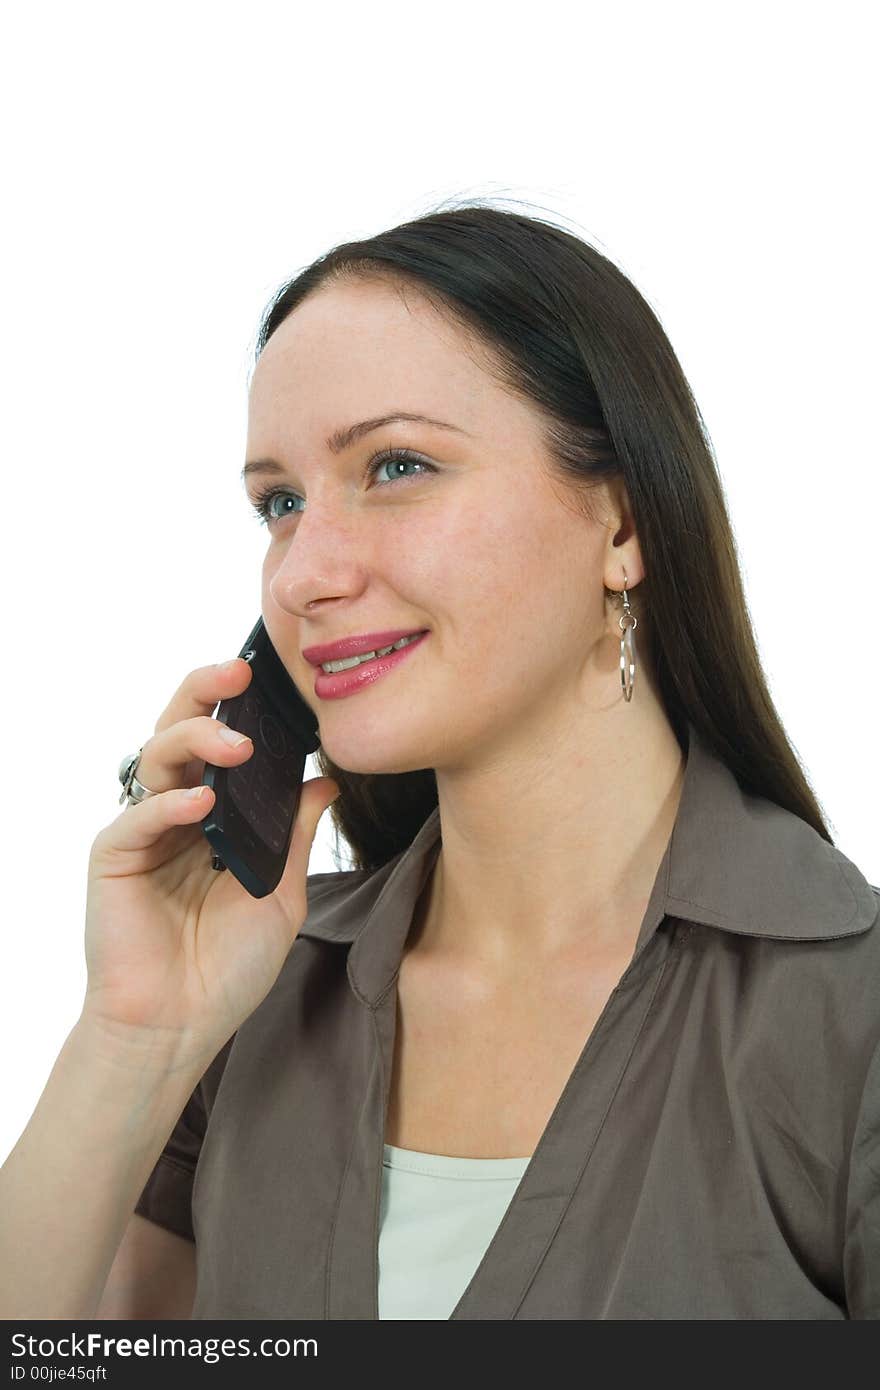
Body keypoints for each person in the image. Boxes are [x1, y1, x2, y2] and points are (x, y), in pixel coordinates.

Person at [1, 204, 877, 1321]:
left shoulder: (846, 1016)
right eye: (279, 503)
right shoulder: (249, 1002)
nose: (302, 575)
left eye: (397, 465)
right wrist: (135, 1036)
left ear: (620, 526)